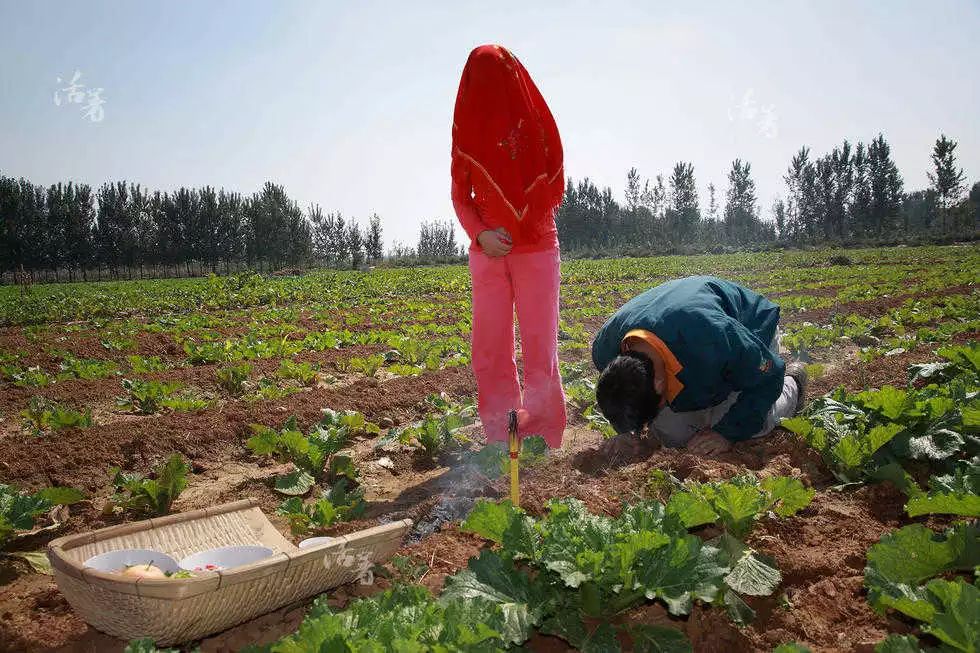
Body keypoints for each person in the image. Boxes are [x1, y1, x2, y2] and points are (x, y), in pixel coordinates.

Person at [451, 44, 566, 448]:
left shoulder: (533, 122)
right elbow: (460, 196)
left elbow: (549, 176)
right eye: (482, 78)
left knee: (540, 346)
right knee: (490, 345)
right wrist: (480, 235)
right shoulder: (466, 131)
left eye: (498, 76)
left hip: (536, 246)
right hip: (487, 253)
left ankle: (544, 434)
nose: (491, 87)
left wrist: (523, 226)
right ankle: (503, 432)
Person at [592, 276, 807, 456]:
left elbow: (769, 374)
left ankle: (793, 386)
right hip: (685, 341)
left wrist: (727, 433)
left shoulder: (713, 336)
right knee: (673, 434)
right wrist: (625, 432)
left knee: (753, 424)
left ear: (658, 384)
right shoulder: (605, 350)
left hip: (751, 336)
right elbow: (620, 394)